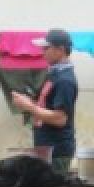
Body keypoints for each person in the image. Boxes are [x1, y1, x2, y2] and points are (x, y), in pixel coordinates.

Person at [11, 29, 78, 177]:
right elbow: (47, 106)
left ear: (60, 50)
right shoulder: (54, 74)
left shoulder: (65, 80)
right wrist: (30, 102)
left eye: (46, 48)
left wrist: (29, 107)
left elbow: (60, 119)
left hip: (57, 151)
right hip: (47, 147)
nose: (43, 52)